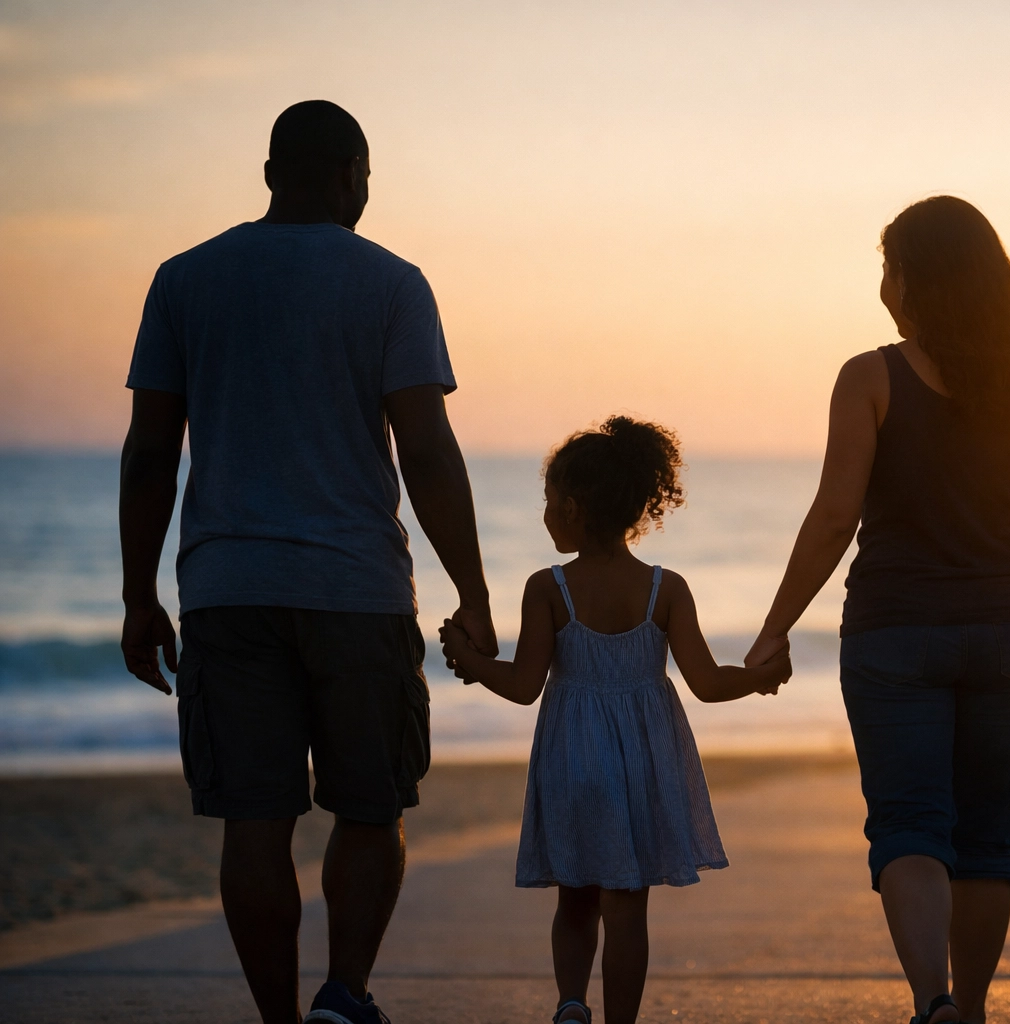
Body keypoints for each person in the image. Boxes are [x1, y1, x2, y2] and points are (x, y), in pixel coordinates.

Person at [119, 100, 497, 1024]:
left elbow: (149, 450)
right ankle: (345, 995)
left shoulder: (185, 280)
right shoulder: (391, 283)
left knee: (257, 819)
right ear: (348, 174)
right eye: (365, 179)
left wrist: (137, 595)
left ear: (269, 173)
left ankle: (281, 1020)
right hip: (355, 590)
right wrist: (475, 592)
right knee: (371, 808)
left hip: (227, 591)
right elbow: (428, 450)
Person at [740, 196, 1010, 1024]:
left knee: (908, 826)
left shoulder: (870, 377)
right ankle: (969, 1012)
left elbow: (835, 516)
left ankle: (931, 1001)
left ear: (913, 276)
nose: (881, 284)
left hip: (896, 633)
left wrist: (774, 628)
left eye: (887, 266)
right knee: (986, 837)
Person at [439, 416, 791, 1024]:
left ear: (573, 508)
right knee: (628, 909)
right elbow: (707, 684)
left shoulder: (547, 589)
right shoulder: (665, 589)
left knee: (575, 898)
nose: (545, 514)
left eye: (549, 502)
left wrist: (471, 663)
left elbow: (523, 687)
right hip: (643, 764)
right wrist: (759, 676)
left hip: (572, 760)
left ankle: (572, 1004)